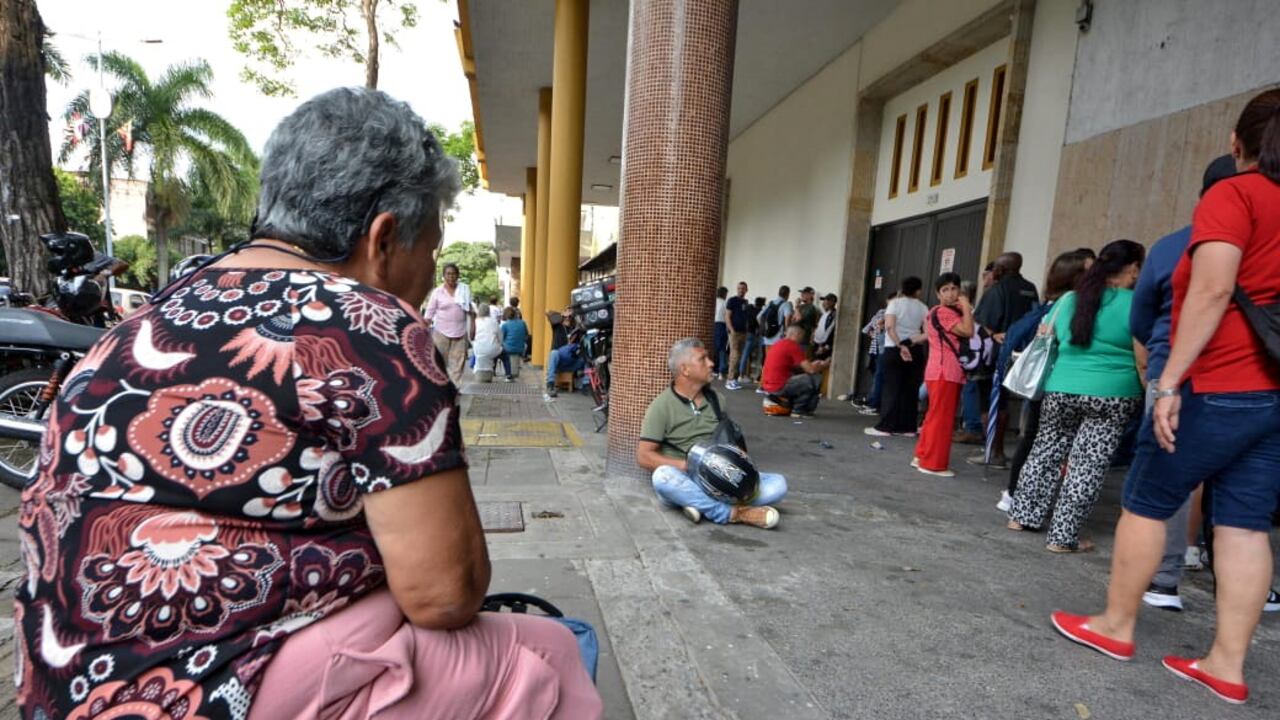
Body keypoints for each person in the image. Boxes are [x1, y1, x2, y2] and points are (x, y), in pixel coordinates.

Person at [15, 87, 601, 720]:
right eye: (430, 251)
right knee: (553, 651)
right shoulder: (361, 322)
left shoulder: (140, 324)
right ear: (383, 238)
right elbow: (445, 592)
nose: (432, 273)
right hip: (211, 689)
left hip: (64, 687)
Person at [1053, 90, 1280, 706]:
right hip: (1272, 397)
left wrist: (1171, 381)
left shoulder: (1234, 195)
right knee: (1245, 526)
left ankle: (1115, 625)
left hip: (1217, 384)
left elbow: (1211, 291)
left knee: (1148, 502)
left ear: (1236, 143)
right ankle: (1226, 665)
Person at [1129, 155, 1238, 611]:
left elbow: (1140, 319)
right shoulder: (1266, 245)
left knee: (1162, 478)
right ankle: (1239, 589)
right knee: (1241, 491)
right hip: (1246, 381)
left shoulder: (1172, 246)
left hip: (1173, 372)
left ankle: (1162, 577)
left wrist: (1160, 369)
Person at [1006, 239, 1146, 552]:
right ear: (1134, 268)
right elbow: (1143, 358)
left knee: (1044, 452)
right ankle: (1062, 537)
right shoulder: (1136, 303)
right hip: (1111, 394)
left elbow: (1047, 336)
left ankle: (1022, 516)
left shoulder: (1070, 298)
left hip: (1061, 388)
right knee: (1087, 465)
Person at [637, 338, 787, 528]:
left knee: (778, 484)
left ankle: (698, 504)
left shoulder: (718, 399)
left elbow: (729, 439)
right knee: (663, 477)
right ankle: (733, 513)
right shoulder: (661, 406)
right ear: (685, 369)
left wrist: (736, 463)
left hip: (722, 476)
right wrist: (686, 466)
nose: (711, 363)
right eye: (703, 359)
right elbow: (643, 456)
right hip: (686, 477)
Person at [995, 250, 1092, 512]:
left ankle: (1018, 495)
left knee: (1036, 440)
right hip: (1054, 383)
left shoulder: (1053, 305)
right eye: (1089, 270)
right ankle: (1020, 497)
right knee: (1040, 442)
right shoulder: (1065, 305)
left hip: (1049, 384)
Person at [967, 252, 1041, 468]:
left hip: (994, 354)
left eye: (996, 267)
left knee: (989, 402)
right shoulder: (1030, 289)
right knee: (1004, 402)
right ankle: (996, 450)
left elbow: (981, 323)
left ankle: (993, 452)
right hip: (1021, 354)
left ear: (1001, 268)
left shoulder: (997, 290)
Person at [912, 273, 974, 477]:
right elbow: (968, 331)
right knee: (942, 420)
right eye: (945, 290)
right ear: (938, 294)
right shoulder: (945, 312)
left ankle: (922, 455)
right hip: (945, 371)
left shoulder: (935, 311)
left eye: (954, 288)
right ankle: (932, 464)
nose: (951, 293)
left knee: (934, 416)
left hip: (938, 370)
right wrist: (966, 307)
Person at [865, 277, 927, 437]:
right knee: (911, 389)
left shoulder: (894, 304)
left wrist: (900, 345)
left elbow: (889, 327)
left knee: (891, 388)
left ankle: (885, 427)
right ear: (918, 291)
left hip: (893, 349)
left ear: (902, 288)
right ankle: (908, 428)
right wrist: (910, 342)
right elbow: (927, 333)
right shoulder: (923, 308)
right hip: (915, 350)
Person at [760, 325, 830, 418]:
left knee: (803, 378)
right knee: (815, 378)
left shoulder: (778, 344)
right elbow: (811, 370)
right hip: (780, 385)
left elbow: (798, 367)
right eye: (802, 336)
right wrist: (823, 365)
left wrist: (811, 365)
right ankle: (799, 409)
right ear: (797, 334)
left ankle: (797, 407)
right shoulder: (792, 345)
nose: (802, 339)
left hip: (770, 385)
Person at [424, 262, 472, 385]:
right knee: (439, 363)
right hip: (441, 333)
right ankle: (441, 388)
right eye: (448, 274)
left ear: (458, 275)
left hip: (460, 333)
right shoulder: (437, 292)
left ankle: (454, 390)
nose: (451, 277)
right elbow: (429, 313)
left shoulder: (464, 290)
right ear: (444, 276)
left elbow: (470, 310)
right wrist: (423, 328)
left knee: (458, 365)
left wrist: (473, 327)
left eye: (454, 274)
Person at [544, 310, 586, 399]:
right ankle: (550, 385)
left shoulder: (575, 329)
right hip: (559, 361)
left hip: (572, 363)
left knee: (586, 358)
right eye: (566, 317)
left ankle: (585, 384)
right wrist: (561, 315)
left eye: (569, 317)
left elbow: (584, 328)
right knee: (554, 353)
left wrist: (575, 316)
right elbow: (549, 314)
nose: (567, 318)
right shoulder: (558, 326)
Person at [725, 281, 752, 389]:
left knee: (739, 356)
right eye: (739, 288)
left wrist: (747, 330)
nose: (741, 290)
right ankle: (729, 380)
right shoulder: (732, 300)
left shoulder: (745, 302)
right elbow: (727, 316)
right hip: (734, 332)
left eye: (743, 288)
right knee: (734, 356)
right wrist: (732, 330)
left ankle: (734, 379)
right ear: (737, 289)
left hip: (743, 332)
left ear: (746, 290)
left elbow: (746, 317)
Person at [737, 296, 767, 384]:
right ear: (761, 305)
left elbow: (744, 309)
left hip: (748, 333)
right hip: (757, 335)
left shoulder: (750, 309)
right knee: (759, 356)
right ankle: (757, 376)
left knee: (745, 354)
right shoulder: (760, 312)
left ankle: (741, 375)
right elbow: (761, 324)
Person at [471, 302, 502, 380]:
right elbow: (500, 337)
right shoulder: (494, 321)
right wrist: (500, 344)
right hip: (493, 350)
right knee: (503, 354)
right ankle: (508, 374)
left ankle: (472, 364)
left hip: (478, 349)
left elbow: (472, 337)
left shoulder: (475, 321)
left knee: (477, 352)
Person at [499, 305, 530, 381]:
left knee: (499, 349)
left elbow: (501, 338)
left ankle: (506, 372)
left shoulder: (505, 325)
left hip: (508, 349)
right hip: (520, 348)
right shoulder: (523, 323)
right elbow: (527, 335)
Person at [812, 293, 838, 361]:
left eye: (826, 301)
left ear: (832, 302)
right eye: (824, 301)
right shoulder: (825, 314)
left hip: (822, 346)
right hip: (817, 344)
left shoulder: (833, 315)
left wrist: (825, 346)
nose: (823, 303)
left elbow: (829, 331)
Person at [713, 286, 730, 378]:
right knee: (722, 347)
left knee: (715, 347)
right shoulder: (725, 303)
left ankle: (714, 368)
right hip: (722, 325)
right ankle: (720, 369)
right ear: (724, 294)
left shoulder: (714, 302)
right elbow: (727, 316)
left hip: (713, 324)